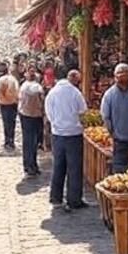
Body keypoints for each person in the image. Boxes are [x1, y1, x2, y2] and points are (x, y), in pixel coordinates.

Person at [44, 69, 88, 211]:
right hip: (73, 134)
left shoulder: (52, 93)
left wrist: (56, 124)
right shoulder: (75, 93)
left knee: (58, 166)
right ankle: (74, 199)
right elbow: (83, 112)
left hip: (57, 134)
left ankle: (55, 196)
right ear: (73, 78)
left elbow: (48, 112)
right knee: (74, 168)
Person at [18, 63, 44, 177]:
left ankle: (29, 165)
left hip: (26, 116)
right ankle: (31, 165)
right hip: (33, 116)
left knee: (28, 142)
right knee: (32, 142)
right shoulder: (36, 88)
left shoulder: (24, 86)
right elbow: (41, 101)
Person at [0, 63, 20, 150]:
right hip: (12, 104)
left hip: (4, 104)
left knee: (6, 123)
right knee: (12, 123)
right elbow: (17, 91)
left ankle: (7, 141)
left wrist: (0, 101)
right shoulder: (13, 80)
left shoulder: (0, 80)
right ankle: (11, 141)